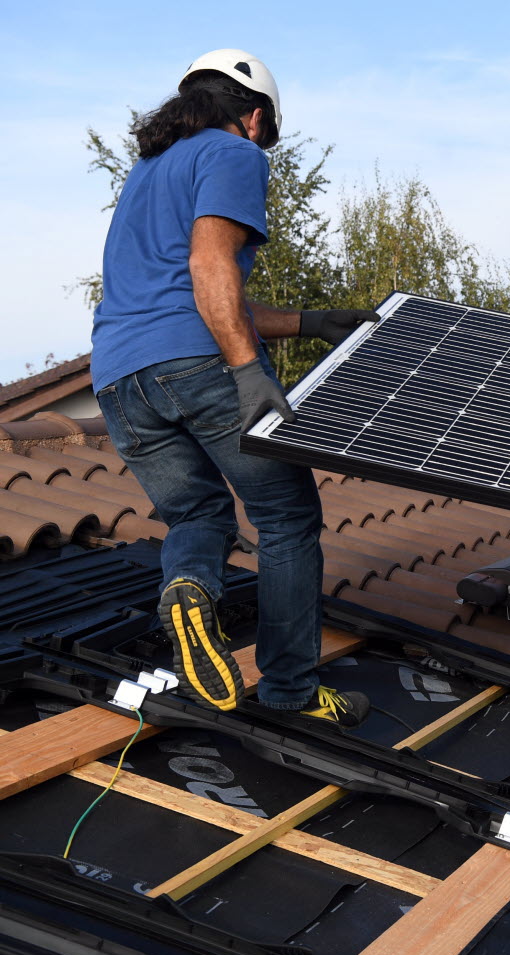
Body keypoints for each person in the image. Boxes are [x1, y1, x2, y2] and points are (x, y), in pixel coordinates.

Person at [91, 49, 378, 727]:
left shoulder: (147, 171)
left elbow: (185, 288)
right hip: (200, 365)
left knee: (198, 515)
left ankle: (190, 590)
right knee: (286, 516)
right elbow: (209, 267)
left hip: (118, 379)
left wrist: (308, 321)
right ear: (253, 117)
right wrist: (248, 370)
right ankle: (291, 691)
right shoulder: (234, 153)